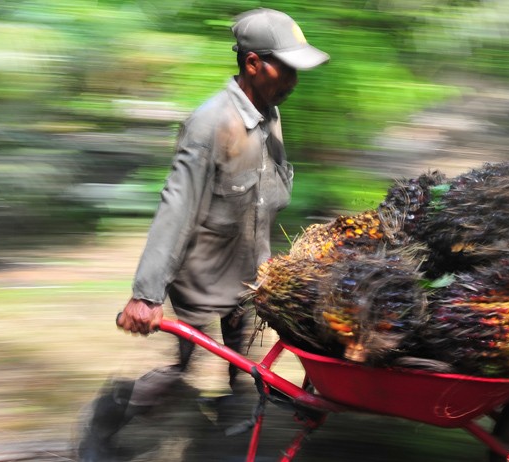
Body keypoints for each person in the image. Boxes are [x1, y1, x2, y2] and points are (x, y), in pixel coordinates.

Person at [80, 8, 328, 459]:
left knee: (243, 368)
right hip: (200, 276)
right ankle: (111, 413)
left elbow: (263, 194)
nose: (293, 78)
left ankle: (226, 437)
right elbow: (176, 209)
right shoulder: (210, 124)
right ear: (253, 64)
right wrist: (146, 295)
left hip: (247, 271)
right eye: (285, 67)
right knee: (184, 367)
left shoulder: (269, 114)